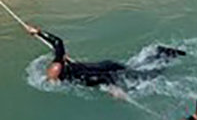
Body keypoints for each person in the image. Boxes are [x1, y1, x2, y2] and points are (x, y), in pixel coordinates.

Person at [25, 25, 185, 87]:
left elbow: (101, 78)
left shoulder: (77, 78)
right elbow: (57, 43)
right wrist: (38, 32)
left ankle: (166, 57)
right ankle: (159, 52)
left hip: (110, 72)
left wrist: (113, 89)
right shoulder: (60, 62)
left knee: (146, 76)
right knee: (135, 66)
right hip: (106, 64)